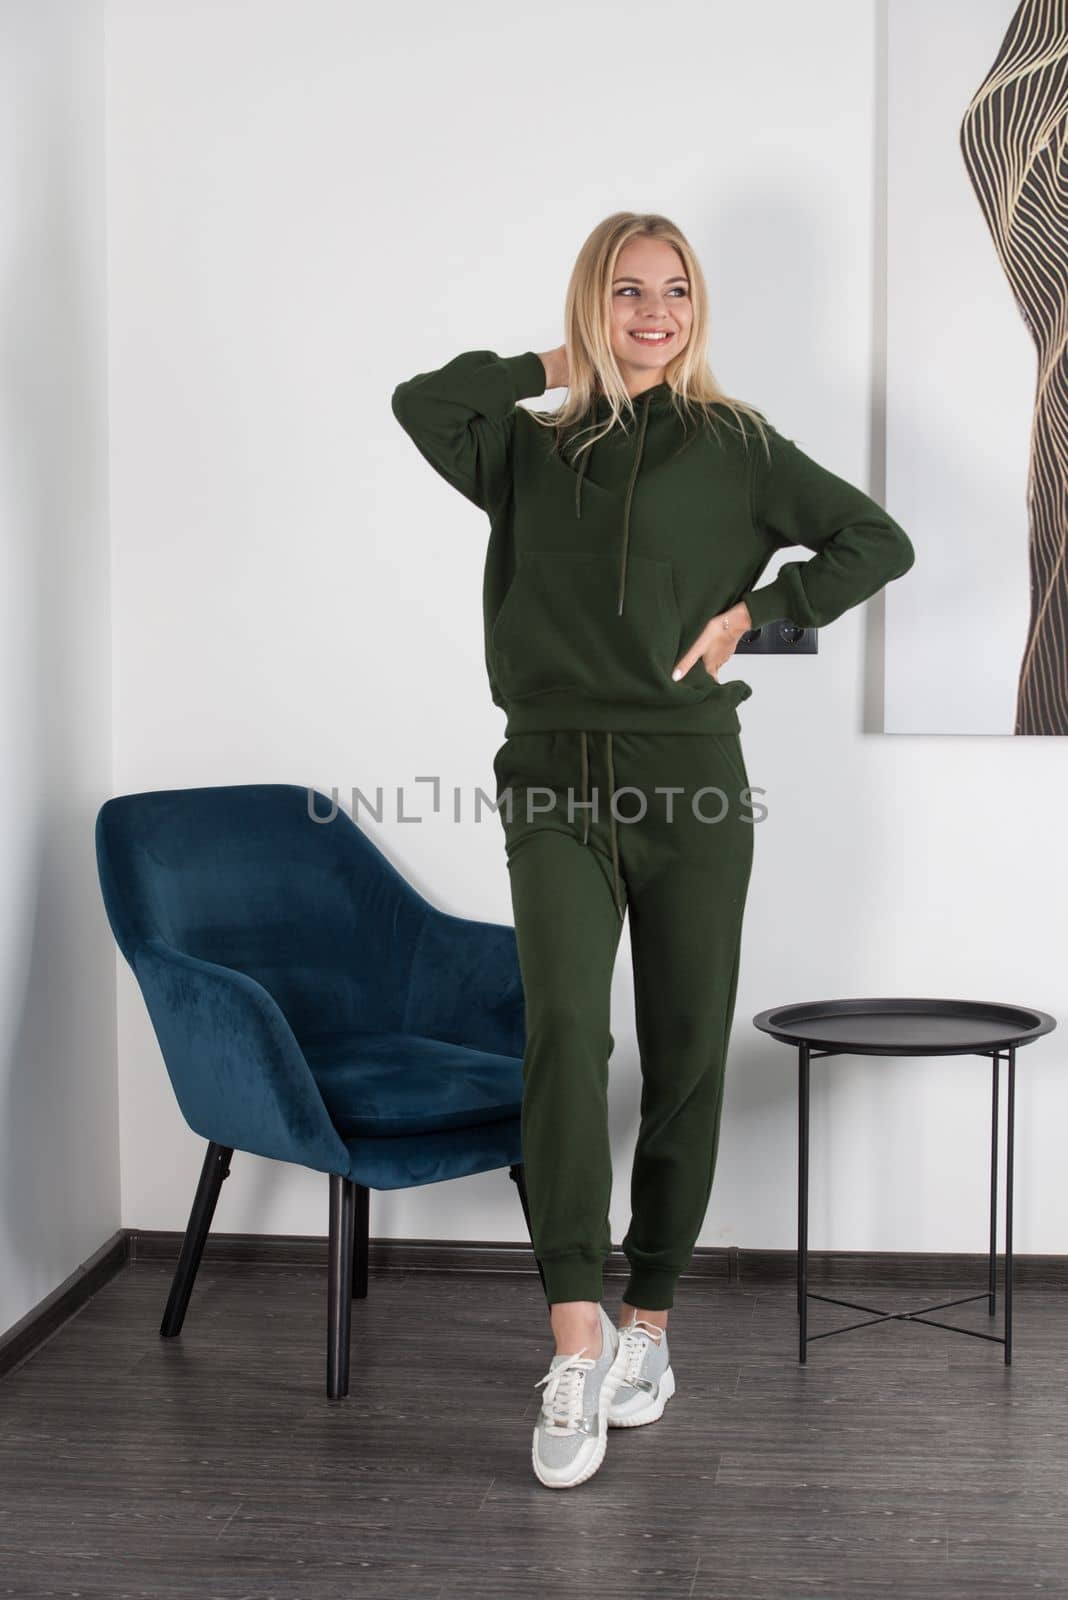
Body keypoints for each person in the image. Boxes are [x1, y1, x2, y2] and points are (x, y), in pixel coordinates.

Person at [391, 211, 915, 1490]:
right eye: (627, 292)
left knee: (686, 1052)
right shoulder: (526, 443)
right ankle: (574, 1333)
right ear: (591, 305)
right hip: (552, 779)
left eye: (675, 291)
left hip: (692, 785)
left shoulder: (735, 445)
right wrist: (554, 369)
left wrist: (762, 617)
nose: (655, 313)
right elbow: (419, 401)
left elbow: (875, 542)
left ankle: (650, 1326)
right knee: (567, 1029)